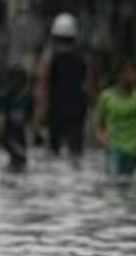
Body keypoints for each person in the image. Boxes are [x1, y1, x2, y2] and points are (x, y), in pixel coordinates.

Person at [36, 13, 94, 156]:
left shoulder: (50, 56)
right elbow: (89, 84)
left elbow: (43, 83)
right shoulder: (82, 57)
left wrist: (41, 109)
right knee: (75, 150)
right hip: (74, 109)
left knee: (55, 149)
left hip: (58, 108)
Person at [96, 59, 136, 177]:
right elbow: (100, 123)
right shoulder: (106, 97)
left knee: (127, 182)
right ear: (119, 75)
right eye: (128, 73)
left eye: (134, 73)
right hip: (113, 146)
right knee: (113, 180)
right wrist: (102, 140)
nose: (132, 77)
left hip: (131, 148)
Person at [0, 66, 34, 171]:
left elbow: (30, 114)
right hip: (8, 131)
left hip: (20, 132)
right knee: (16, 153)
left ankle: (16, 166)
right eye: (13, 80)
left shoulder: (27, 97)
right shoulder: (5, 96)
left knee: (21, 157)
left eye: (20, 80)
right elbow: (1, 115)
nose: (16, 83)